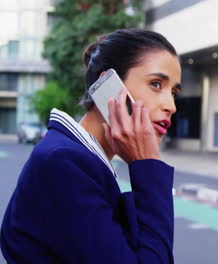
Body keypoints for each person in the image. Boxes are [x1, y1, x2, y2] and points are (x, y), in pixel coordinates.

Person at [0, 29, 181, 263]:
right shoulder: (64, 163)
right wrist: (148, 165)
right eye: (156, 84)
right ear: (108, 86)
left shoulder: (78, 159)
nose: (171, 106)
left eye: (174, 92)